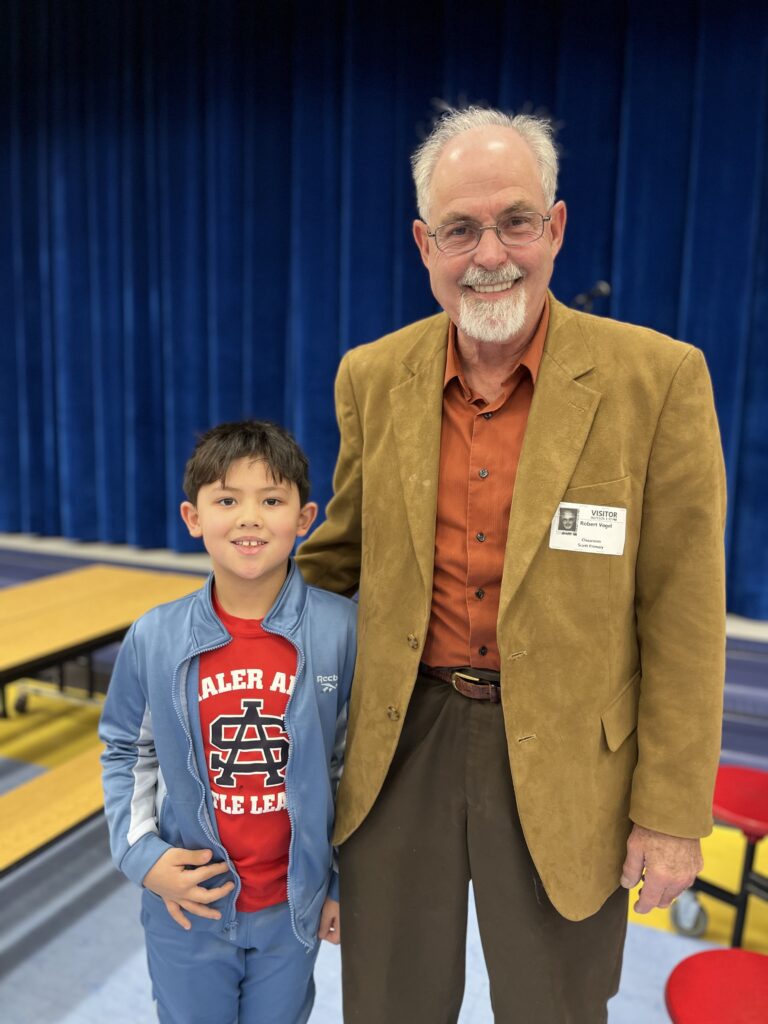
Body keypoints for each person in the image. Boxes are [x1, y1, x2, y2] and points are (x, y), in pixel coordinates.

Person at [296, 106, 726, 1023]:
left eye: (515, 221)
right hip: (402, 741)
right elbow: (335, 565)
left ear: (556, 227)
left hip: (573, 759)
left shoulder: (659, 380)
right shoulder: (372, 376)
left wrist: (673, 812)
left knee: (555, 1007)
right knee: (390, 1002)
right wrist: (215, 641)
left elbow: (686, 616)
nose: (491, 252)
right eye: (461, 229)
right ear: (425, 244)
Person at [100, 420, 357, 1024]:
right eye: (226, 500)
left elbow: (356, 766)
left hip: (293, 908)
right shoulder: (155, 635)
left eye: (271, 500)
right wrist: (142, 856)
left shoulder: (341, 631)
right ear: (193, 517)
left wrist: (343, 883)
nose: (249, 518)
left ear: (305, 517)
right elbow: (125, 751)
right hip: (187, 906)